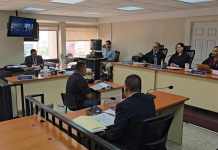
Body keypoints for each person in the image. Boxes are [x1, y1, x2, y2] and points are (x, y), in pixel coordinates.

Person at [102, 74, 156, 150]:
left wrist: (104, 134)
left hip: (130, 145)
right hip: (147, 143)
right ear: (140, 88)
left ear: (126, 89)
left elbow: (115, 134)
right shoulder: (149, 100)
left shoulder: (123, 106)